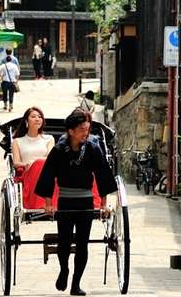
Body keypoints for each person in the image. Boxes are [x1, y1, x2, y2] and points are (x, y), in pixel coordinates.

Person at [34, 109, 115, 295]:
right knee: (64, 242)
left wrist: (103, 204)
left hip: (85, 201)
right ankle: (64, 270)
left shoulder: (93, 148)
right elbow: (48, 175)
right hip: (65, 201)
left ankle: (76, 284)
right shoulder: (59, 150)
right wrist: (48, 203)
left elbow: (103, 175)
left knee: (82, 243)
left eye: (87, 129)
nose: (85, 133)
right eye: (81, 129)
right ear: (70, 131)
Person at [11, 107, 53, 175]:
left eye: (40, 117)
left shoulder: (49, 139)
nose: (37, 119)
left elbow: (50, 158)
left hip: (46, 173)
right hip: (28, 173)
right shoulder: (17, 141)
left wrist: (34, 161)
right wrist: (26, 164)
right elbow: (16, 163)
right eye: (33, 117)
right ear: (26, 121)